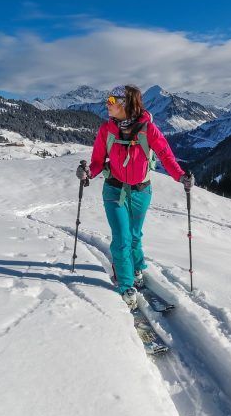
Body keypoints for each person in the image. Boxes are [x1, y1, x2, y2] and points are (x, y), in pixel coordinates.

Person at [75, 85, 194, 309]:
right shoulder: (106, 130)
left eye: (112, 99)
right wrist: (88, 172)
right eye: (107, 99)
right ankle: (125, 283)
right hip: (114, 189)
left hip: (141, 190)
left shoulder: (148, 129)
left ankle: (136, 266)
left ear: (127, 103)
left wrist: (181, 176)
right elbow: (98, 161)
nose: (107, 103)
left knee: (135, 234)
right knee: (122, 238)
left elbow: (166, 156)